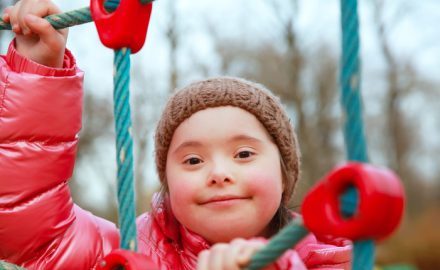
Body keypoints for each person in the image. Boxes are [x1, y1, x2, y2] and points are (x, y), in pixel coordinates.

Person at [0, 0, 351, 269]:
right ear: (167, 182)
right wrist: (37, 69)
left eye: (244, 154)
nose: (218, 174)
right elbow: (31, 226)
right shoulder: (131, 248)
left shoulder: (331, 260)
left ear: (285, 172)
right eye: (193, 160)